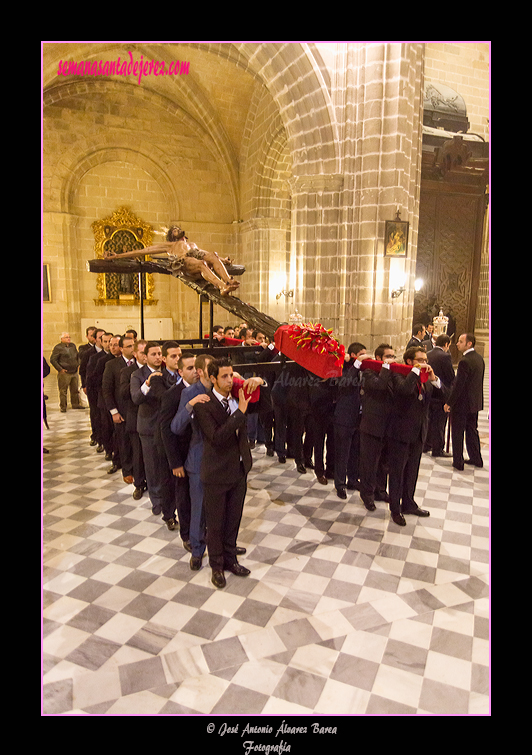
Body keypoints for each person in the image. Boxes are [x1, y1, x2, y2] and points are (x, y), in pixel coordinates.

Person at [193, 357, 269, 588]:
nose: (229, 380)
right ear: (212, 378)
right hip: (216, 472)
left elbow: (268, 407)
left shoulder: (239, 398)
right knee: (215, 523)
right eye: (224, 376)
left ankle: (230, 559)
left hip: (238, 470)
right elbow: (217, 437)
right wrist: (240, 413)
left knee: (233, 519)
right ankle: (217, 566)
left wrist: (260, 382)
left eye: (232, 375)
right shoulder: (203, 404)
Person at [386, 346, 447, 526]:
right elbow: (404, 391)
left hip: (419, 432)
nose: (424, 364)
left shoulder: (426, 378)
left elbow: (444, 395)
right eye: (420, 360)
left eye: (426, 360)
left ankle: (409, 503)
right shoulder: (398, 375)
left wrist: (434, 379)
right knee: (397, 472)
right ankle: (395, 508)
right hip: (401, 432)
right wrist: (414, 371)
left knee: (412, 471)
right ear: (409, 362)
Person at [106, 224, 240, 296]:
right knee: (201, 263)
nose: (178, 231)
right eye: (175, 231)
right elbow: (144, 251)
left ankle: (228, 281)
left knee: (212, 255)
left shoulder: (192, 245)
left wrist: (223, 260)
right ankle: (221, 286)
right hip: (185, 263)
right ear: (171, 236)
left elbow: (205, 253)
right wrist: (117, 256)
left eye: (178, 229)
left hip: (196, 257)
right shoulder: (171, 245)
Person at [171, 354, 215, 569]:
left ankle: (223, 546)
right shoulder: (189, 392)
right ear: (200, 372)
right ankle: (197, 550)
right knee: (198, 509)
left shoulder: (223, 388)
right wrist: (190, 405)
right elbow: (175, 427)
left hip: (221, 460)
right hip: (198, 459)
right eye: (210, 368)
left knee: (220, 509)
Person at [130, 341, 178, 529]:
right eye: (154, 354)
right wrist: (148, 384)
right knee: (152, 466)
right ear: (145, 357)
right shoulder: (138, 375)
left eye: (160, 354)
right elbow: (136, 398)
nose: (158, 357)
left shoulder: (168, 374)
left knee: (166, 468)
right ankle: (157, 500)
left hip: (167, 427)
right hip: (149, 427)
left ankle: (166, 501)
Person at [159, 350, 196, 551]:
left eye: (196, 367)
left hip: (199, 453)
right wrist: (175, 463)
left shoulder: (205, 389)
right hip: (181, 454)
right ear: (180, 372)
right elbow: (166, 430)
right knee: (183, 496)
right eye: (189, 368)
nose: (195, 372)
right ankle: (187, 535)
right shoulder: (172, 394)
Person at [358, 344, 396, 512]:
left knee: (384, 464)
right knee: (369, 464)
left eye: (393, 356)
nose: (392, 360)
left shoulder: (392, 372)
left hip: (388, 426)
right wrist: (387, 367)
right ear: (379, 358)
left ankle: (380, 490)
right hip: (371, 426)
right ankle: (367, 495)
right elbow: (380, 385)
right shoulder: (368, 373)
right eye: (388, 356)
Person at [333, 342, 368, 499]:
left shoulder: (364, 370)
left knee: (355, 452)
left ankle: (353, 480)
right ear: (354, 355)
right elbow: (344, 383)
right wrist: (356, 364)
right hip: (344, 417)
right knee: (343, 453)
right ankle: (340, 483)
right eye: (361, 354)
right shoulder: (344, 368)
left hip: (359, 417)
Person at [444, 333, 485, 470]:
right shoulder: (479, 358)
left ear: (469, 344)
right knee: (472, 430)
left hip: (462, 404)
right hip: (474, 403)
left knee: (457, 432)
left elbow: (459, 386)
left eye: (461, 341)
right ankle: (476, 458)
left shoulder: (464, 361)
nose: (457, 343)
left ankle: (458, 462)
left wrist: (449, 403)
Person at [102, 335, 136, 482]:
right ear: (121, 348)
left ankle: (137, 469)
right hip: (121, 410)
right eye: (129, 346)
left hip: (136, 410)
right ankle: (127, 470)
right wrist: (113, 411)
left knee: (136, 443)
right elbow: (107, 390)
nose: (132, 348)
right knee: (123, 441)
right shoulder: (112, 365)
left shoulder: (139, 364)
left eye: (134, 345)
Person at [119, 339, 148, 500]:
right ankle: (139, 484)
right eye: (142, 353)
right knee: (138, 454)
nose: (145, 356)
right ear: (135, 354)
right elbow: (124, 393)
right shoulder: (128, 372)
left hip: (152, 419)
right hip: (136, 416)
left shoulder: (156, 370)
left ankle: (152, 481)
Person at [426, 334, 455, 457]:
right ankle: (437, 449)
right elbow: (451, 376)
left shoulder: (428, 353)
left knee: (428, 419)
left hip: (429, 391)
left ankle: (426, 445)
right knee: (439, 422)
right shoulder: (445, 356)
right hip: (441, 392)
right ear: (446, 344)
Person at [50, 332, 83, 412]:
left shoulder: (73, 346)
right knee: (63, 391)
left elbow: (77, 356)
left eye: (69, 337)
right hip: (64, 372)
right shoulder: (58, 347)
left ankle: (75, 404)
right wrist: (60, 369)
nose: (68, 338)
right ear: (61, 339)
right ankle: (63, 406)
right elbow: (53, 360)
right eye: (66, 337)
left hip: (74, 371)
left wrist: (78, 364)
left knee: (75, 389)